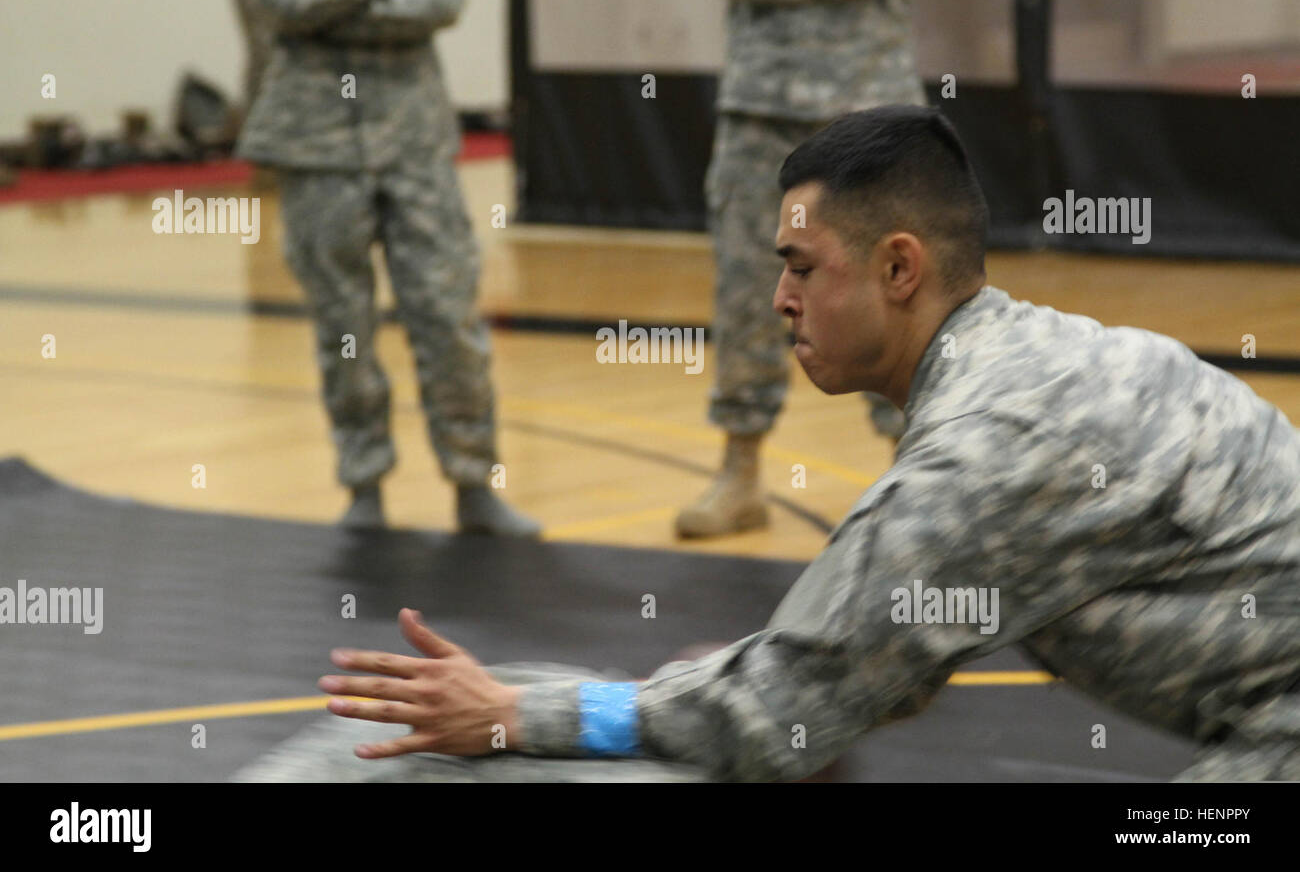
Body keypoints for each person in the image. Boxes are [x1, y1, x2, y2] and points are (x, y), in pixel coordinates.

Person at [315, 107, 1300, 781]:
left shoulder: (981, 451)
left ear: (899, 266)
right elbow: (878, 663)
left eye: (800, 266)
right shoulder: (1032, 355)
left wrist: (519, 714)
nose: (780, 298)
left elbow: (777, 709)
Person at [226, 0, 539, 536]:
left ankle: (473, 481)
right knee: (341, 328)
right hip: (314, 144)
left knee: (447, 315)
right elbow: (279, 2)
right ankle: (363, 482)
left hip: (413, 139)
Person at [676, 0, 939, 538]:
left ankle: (915, 472)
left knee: (895, 295)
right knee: (746, 296)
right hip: (758, 113)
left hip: (870, 111)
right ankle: (739, 473)